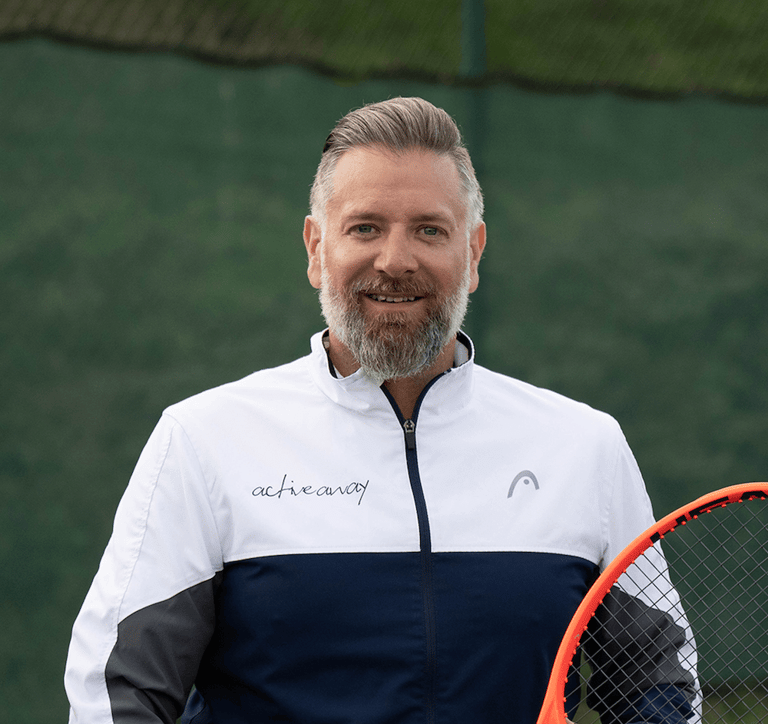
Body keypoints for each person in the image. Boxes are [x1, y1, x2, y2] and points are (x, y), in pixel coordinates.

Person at [65, 96, 696, 723]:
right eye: (365, 227)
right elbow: (117, 693)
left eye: (429, 229)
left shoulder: (584, 447)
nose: (395, 261)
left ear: (473, 254)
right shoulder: (203, 441)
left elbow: (657, 685)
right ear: (316, 248)